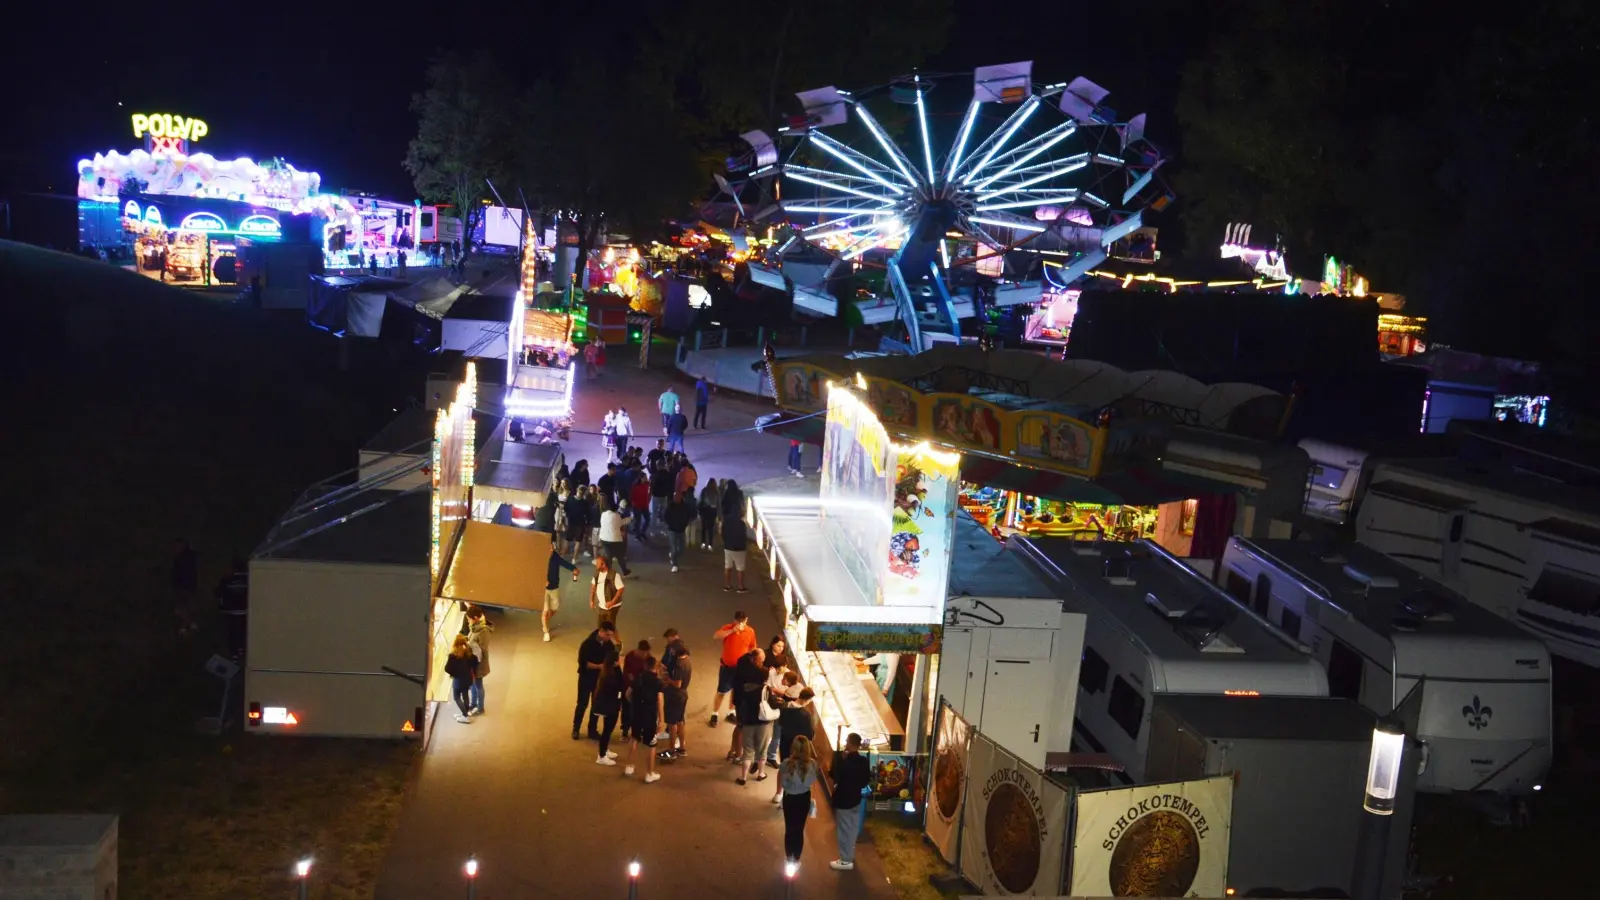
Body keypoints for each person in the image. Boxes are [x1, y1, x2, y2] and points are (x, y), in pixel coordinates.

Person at [830, 733, 873, 871]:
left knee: (843, 830)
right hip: (856, 798)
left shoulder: (844, 760)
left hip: (843, 800)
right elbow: (865, 780)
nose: (845, 743)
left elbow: (835, 775)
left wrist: (841, 760)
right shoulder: (863, 761)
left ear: (851, 743)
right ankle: (850, 854)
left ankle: (845, 860)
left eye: (847, 741)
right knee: (853, 828)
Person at [625, 657, 667, 783]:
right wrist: (662, 719)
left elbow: (628, 694)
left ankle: (629, 766)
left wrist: (634, 704)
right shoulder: (657, 682)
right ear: (655, 667)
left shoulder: (638, 678)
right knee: (651, 744)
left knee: (634, 738)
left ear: (645, 666)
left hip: (637, 714)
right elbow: (660, 701)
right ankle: (649, 773)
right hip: (649, 716)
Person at [780, 736, 822, 864]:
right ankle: (797, 858)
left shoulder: (786, 764)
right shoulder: (812, 764)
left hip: (789, 799)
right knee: (799, 829)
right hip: (803, 799)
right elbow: (813, 779)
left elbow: (783, 783)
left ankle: (789, 857)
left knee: (789, 828)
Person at [712, 612, 758, 726]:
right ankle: (715, 713)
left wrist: (753, 659)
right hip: (727, 667)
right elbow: (716, 636)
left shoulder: (750, 631)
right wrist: (732, 631)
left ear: (746, 620)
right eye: (738, 621)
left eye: (743, 621)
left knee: (736, 690)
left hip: (741, 668)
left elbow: (753, 646)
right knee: (721, 691)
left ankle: (731, 712)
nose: (741, 623)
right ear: (735, 620)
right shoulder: (728, 628)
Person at [573, 621, 617, 740]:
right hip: (586, 678)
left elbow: (613, 658)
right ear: (601, 631)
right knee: (582, 704)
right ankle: (576, 729)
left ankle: (592, 730)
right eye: (608, 635)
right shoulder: (587, 644)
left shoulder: (609, 645)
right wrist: (599, 666)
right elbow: (583, 663)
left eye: (611, 635)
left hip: (600, 680)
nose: (610, 638)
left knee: (596, 705)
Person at [734, 647, 772, 785]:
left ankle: (743, 777)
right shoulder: (766, 690)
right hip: (762, 723)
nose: (761, 663)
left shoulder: (746, 688)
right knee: (762, 751)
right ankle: (760, 774)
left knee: (748, 750)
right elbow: (773, 704)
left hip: (748, 722)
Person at [773, 688, 816, 802]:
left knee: (784, 765)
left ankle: (778, 793)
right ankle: (791, 791)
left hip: (785, 742)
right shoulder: (805, 715)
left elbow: (781, 722)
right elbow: (810, 734)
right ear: (808, 700)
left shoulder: (785, 706)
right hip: (799, 745)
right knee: (797, 768)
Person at [660, 639, 692, 759]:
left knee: (672, 724)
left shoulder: (679, 664)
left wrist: (667, 679)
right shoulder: (687, 660)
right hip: (683, 695)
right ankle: (682, 748)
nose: (671, 651)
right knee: (680, 722)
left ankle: (671, 750)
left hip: (675, 696)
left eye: (672, 650)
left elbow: (678, 683)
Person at [591, 655, 625, 765]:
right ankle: (601, 756)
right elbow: (619, 687)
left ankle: (604, 750)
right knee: (607, 731)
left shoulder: (612, 670)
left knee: (608, 729)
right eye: (620, 657)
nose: (622, 659)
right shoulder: (610, 677)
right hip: (609, 706)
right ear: (615, 661)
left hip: (611, 704)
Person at [216, 558, 249, 659]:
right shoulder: (249, 578)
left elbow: (218, 593)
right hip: (245, 610)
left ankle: (234, 653)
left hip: (230, 610)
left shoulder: (227, 579)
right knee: (243, 631)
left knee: (232, 632)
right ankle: (242, 651)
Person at [544, 547, 579, 642]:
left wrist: (574, 569)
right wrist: (542, 579)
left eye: (552, 547)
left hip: (554, 587)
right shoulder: (541, 556)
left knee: (554, 609)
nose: (551, 549)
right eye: (549, 547)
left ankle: (545, 622)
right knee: (545, 610)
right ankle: (546, 631)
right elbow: (534, 569)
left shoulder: (555, 557)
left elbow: (564, 563)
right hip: (543, 589)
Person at [620, 639, 652, 739]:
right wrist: (634, 684)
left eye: (646, 653)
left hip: (641, 688)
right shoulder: (630, 656)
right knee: (627, 710)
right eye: (643, 653)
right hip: (628, 686)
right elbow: (628, 674)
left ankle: (639, 730)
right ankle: (625, 730)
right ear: (638, 650)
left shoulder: (648, 657)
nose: (645, 655)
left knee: (640, 710)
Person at [445, 634, 479, 724]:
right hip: (468, 679)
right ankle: (465, 713)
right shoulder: (467, 653)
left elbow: (447, 669)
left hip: (458, 680)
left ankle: (465, 715)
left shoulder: (453, 655)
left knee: (456, 697)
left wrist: (454, 674)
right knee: (465, 695)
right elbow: (475, 661)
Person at [466, 608, 494, 715]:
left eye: (469, 620)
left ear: (476, 618)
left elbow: (482, 648)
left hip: (479, 662)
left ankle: (480, 708)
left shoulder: (484, 631)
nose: (468, 622)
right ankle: (473, 704)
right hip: (472, 661)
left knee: (478, 685)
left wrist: (469, 645)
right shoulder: (475, 627)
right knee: (473, 684)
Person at [590, 555, 626, 634]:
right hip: (601, 606)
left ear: (603, 564)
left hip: (612, 607)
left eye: (597, 563)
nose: (596, 565)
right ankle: (602, 643)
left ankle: (617, 643)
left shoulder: (614, 575)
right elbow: (593, 586)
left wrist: (612, 602)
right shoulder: (597, 574)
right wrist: (591, 600)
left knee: (610, 628)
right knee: (600, 627)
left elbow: (621, 589)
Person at [597, 496, 632, 575]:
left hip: (604, 539)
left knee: (608, 557)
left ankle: (608, 572)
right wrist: (630, 519)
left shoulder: (603, 514)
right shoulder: (616, 516)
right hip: (615, 540)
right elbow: (621, 522)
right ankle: (624, 571)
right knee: (620, 556)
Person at [171, 538, 198, 636]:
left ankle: (184, 626)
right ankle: (190, 624)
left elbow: (182, 572)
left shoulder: (184, 558)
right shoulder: (187, 557)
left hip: (184, 585)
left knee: (183, 607)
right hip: (186, 585)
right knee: (185, 606)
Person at [664, 492, 694, 573]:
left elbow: (688, 516)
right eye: (675, 497)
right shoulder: (670, 506)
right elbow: (666, 516)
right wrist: (670, 523)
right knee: (673, 548)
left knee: (681, 549)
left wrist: (685, 524)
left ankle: (673, 556)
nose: (676, 498)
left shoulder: (684, 506)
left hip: (681, 529)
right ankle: (674, 564)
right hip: (672, 530)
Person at [563, 486, 593, 561]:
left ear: (577, 489)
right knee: (578, 542)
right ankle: (574, 559)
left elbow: (565, 509)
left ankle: (563, 556)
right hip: (580, 523)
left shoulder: (570, 499)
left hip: (571, 522)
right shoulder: (584, 502)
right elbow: (587, 514)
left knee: (567, 540)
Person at [723, 513, 750, 593]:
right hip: (739, 548)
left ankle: (727, 585)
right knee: (740, 568)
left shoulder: (726, 522)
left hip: (728, 547)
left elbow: (722, 533)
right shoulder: (741, 523)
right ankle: (740, 587)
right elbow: (744, 535)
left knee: (727, 567)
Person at [649, 461, 673, 535]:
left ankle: (653, 531)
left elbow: (652, 486)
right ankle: (665, 530)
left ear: (658, 466)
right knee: (664, 514)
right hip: (664, 496)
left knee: (654, 514)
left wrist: (651, 493)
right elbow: (670, 485)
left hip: (656, 496)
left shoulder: (654, 475)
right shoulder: (668, 475)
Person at [698, 479, 721, 551]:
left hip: (705, 510)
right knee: (711, 528)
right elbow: (719, 505)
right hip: (713, 511)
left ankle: (703, 543)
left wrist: (699, 510)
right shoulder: (717, 492)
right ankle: (710, 545)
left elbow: (700, 501)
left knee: (703, 528)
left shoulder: (704, 490)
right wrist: (720, 516)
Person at [629, 473, 653, 540]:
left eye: (646, 477)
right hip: (637, 506)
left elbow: (650, 490)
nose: (646, 478)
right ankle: (638, 534)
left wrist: (648, 499)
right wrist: (633, 504)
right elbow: (631, 496)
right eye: (644, 477)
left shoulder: (647, 484)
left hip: (645, 505)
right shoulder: (635, 486)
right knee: (638, 521)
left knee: (647, 519)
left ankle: (643, 532)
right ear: (640, 478)